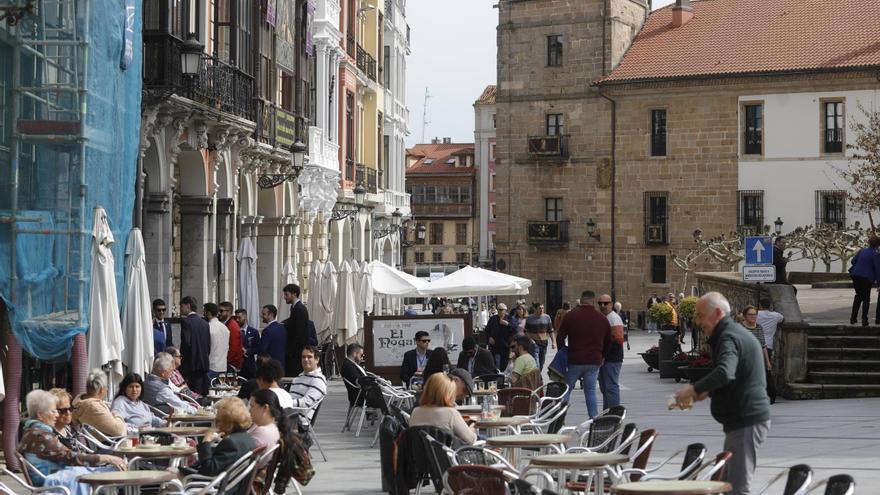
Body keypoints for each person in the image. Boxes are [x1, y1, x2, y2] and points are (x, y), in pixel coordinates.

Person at [674, 292, 771, 495]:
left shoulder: (728, 336)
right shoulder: (732, 333)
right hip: (743, 419)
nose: (699, 322)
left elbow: (726, 371)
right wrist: (706, 391)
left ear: (717, 313)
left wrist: (694, 389)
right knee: (728, 486)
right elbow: (734, 375)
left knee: (736, 488)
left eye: (701, 316)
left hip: (746, 419)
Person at [19, 390, 127, 488]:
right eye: (53, 411)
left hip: (60, 476)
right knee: (114, 473)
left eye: (69, 409)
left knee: (112, 472)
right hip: (56, 482)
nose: (56, 415)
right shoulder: (40, 435)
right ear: (40, 415)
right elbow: (69, 457)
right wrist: (107, 458)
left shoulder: (33, 431)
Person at [557, 290, 611, 419]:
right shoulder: (602, 319)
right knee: (591, 391)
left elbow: (560, 337)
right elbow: (609, 341)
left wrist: (564, 352)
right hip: (594, 360)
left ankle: (559, 418)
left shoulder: (571, 316)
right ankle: (593, 418)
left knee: (567, 389)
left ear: (581, 300)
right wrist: (603, 356)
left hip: (574, 359)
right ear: (593, 301)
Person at [195, 397, 257, 492]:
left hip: (216, 486)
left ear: (224, 421)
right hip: (232, 485)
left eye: (218, 419)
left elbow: (208, 469)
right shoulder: (248, 438)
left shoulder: (231, 442)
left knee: (172, 478)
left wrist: (206, 441)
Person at [409, 373, 477, 445]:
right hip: (447, 455)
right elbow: (471, 440)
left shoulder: (415, 412)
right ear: (448, 393)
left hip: (419, 454)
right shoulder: (450, 413)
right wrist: (472, 428)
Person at [72, 369, 127, 437]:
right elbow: (119, 431)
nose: (107, 390)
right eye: (106, 387)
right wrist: (117, 415)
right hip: (109, 445)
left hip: (102, 443)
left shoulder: (82, 403)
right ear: (101, 389)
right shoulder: (93, 407)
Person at [596, 294, 624, 410]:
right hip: (605, 358)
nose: (602, 306)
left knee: (611, 387)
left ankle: (613, 413)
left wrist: (603, 355)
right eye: (600, 303)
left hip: (612, 359)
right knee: (605, 387)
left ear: (611, 304)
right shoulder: (604, 318)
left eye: (605, 303)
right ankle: (608, 412)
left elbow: (617, 341)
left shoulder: (614, 318)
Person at [179, 295, 211, 395]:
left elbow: (186, 344)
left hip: (190, 365)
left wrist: (181, 361)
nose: (181, 309)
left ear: (188, 306)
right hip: (203, 364)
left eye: (182, 306)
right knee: (200, 393)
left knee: (190, 394)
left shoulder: (186, 322)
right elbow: (208, 345)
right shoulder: (205, 323)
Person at [848, 236, 880, 325]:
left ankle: (853, 318)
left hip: (855, 275)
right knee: (866, 298)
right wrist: (879, 283)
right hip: (866, 277)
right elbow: (878, 270)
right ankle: (864, 320)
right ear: (877, 245)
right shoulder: (876, 255)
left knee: (858, 296)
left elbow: (853, 261)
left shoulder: (862, 251)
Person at [289, 346, 328, 414]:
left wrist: (284, 402)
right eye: (303, 357)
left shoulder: (319, 379)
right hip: (288, 416)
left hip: (299, 421)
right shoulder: (298, 378)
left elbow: (306, 403)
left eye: (309, 357)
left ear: (317, 360)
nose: (306, 359)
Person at [283, 284, 310, 377]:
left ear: (294, 294)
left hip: (297, 352)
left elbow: (299, 332)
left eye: (286, 294)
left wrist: (291, 350)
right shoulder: (295, 308)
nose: (284, 297)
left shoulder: (300, 309)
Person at [247, 389, 282, 453]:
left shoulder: (262, 431)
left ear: (265, 408)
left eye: (252, 406)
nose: (249, 410)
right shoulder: (274, 427)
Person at [485, 303, 515, 372]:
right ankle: (496, 376)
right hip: (495, 345)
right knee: (495, 363)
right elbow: (487, 330)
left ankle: (503, 377)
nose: (500, 311)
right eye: (498, 310)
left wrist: (507, 324)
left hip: (505, 345)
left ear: (505, 310)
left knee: (504, 363)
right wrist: (489, 337)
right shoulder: (493, 319)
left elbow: (514, 330)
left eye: (502, 310)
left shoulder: (509, 318)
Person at [741, 306, 772, 372]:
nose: (753, 316)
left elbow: (763, 345)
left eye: (755, 314)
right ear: (745, 315)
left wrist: (767, 362)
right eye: (750, 314)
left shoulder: (759, 328)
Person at [258, 305, 288, 373]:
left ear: (271, 314)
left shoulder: (267, 330)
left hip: (269, 366)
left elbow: (262, 350)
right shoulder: (282, 328)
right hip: (281, 365)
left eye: (264, 314)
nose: (262, 316)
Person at [525, 303, 555, 371]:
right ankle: (539, 379)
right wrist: (530, 340)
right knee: (536, 363)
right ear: (535, 309)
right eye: (539, 308)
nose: (541, 310)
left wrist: (554, 342)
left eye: (542, 308)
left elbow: (551, 330)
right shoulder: (529, 318)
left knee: (541, 363)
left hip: (544, 343)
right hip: (534, 343)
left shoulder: (547, 317)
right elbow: (526, 331)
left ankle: (538, 378)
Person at [204, 303, 230, 381]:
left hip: (211, 365)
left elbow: (206, 347)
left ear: (208, 313)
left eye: (204, 311)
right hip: (223, 366)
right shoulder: (225, 328)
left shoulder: (208, 327)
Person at [236, 308, 261, 379]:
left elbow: (258, 348)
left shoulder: (254, 332)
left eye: (239, 317)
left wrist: (247, 351)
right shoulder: (234, 331)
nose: (237, 320)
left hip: (249, 365)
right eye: (236, 317)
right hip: (237, 366)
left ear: (245, 317)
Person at [219, 301, 244, 371]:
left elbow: (234, 348)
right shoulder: (229, 324)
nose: (219, 313)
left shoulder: (232, 326)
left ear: (229, 312)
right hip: (228, 362)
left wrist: (226, 361)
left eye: (221, 311)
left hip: (231, 364)